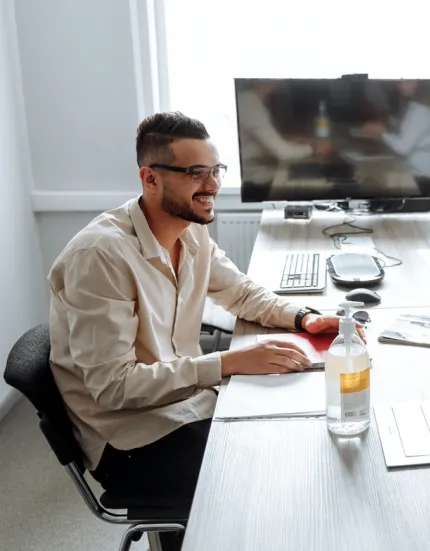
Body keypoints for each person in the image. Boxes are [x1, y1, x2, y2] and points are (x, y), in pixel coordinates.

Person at [47, 112, 359, 550]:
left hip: (186, 405)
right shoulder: (100, 256)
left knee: (292, 433)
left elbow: (242, 293)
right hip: (131, 437)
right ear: (150, 178)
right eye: (195, 173)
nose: (212, 185)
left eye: (215, 171)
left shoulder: (190, 233)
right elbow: (112, 388)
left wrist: (303, 317)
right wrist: (228, 362)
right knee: (278, 474)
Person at [361, 80, 430, 197]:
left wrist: (381, 132)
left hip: (425, 173)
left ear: (418, 83)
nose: (399, 85)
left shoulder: (421, 111)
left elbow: (402, 148)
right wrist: (386, 127)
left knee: (374, 181)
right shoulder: (415, 106)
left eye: (405, 81)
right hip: (417, 166)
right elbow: (408, 131)